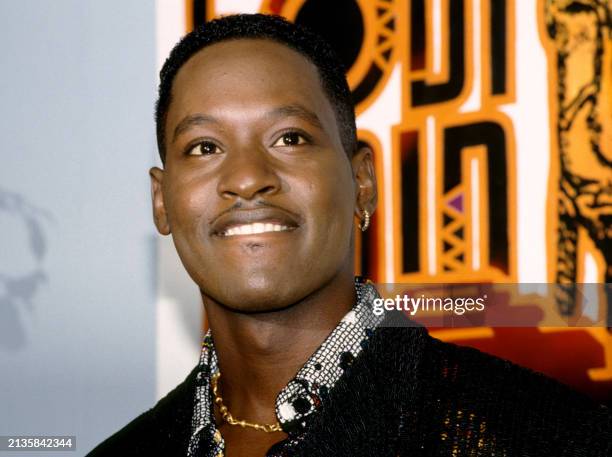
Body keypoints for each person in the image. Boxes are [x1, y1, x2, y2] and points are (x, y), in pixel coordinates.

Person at [88, 13, 612, 457]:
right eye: (204, 147)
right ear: (162, 201)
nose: (247, 178)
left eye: (289, 138)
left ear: (362, 183)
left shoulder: (545, 436)